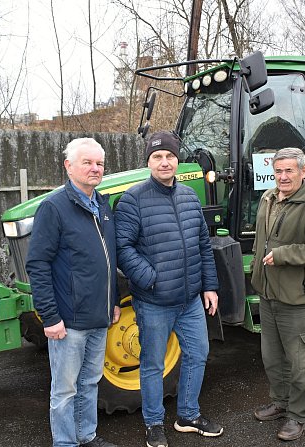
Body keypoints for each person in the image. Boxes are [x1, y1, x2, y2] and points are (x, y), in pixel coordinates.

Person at [114, 131, 223, 447]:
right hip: (154, 301)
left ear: (178, 160)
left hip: (189, 299)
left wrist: (209, 286)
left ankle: (187, 415)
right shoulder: (133, 199)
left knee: (198, 353)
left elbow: (203, 244)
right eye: (157, 157)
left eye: (170, 156)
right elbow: (122, 247)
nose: (164, 162)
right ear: (149, 162)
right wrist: (149, 277)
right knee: (152, 364)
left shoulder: (190, 196)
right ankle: (153, 424)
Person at [26, 137, 120, 447]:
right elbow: (38, 264)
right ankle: (65, 442)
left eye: (99, 164)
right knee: (65, 389)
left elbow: (109, 260)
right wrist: (50, 317)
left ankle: (87, 436)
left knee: (90, 382)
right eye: (88, 163)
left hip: (99, 316)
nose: (95, 169)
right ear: (69, 166)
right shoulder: (54, 208)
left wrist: (114, 302)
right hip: (68, 321)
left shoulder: (103, 206)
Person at [250, 147, 305, 441]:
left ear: (303, 171)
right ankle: (280, 402)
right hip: (268, 292)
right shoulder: (268, 198)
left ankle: (298, 416)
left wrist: (284, 254)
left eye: (289, 171)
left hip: (297, 296)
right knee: (272, 357)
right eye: (278, 171)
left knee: (299, 362)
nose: (283, 177)